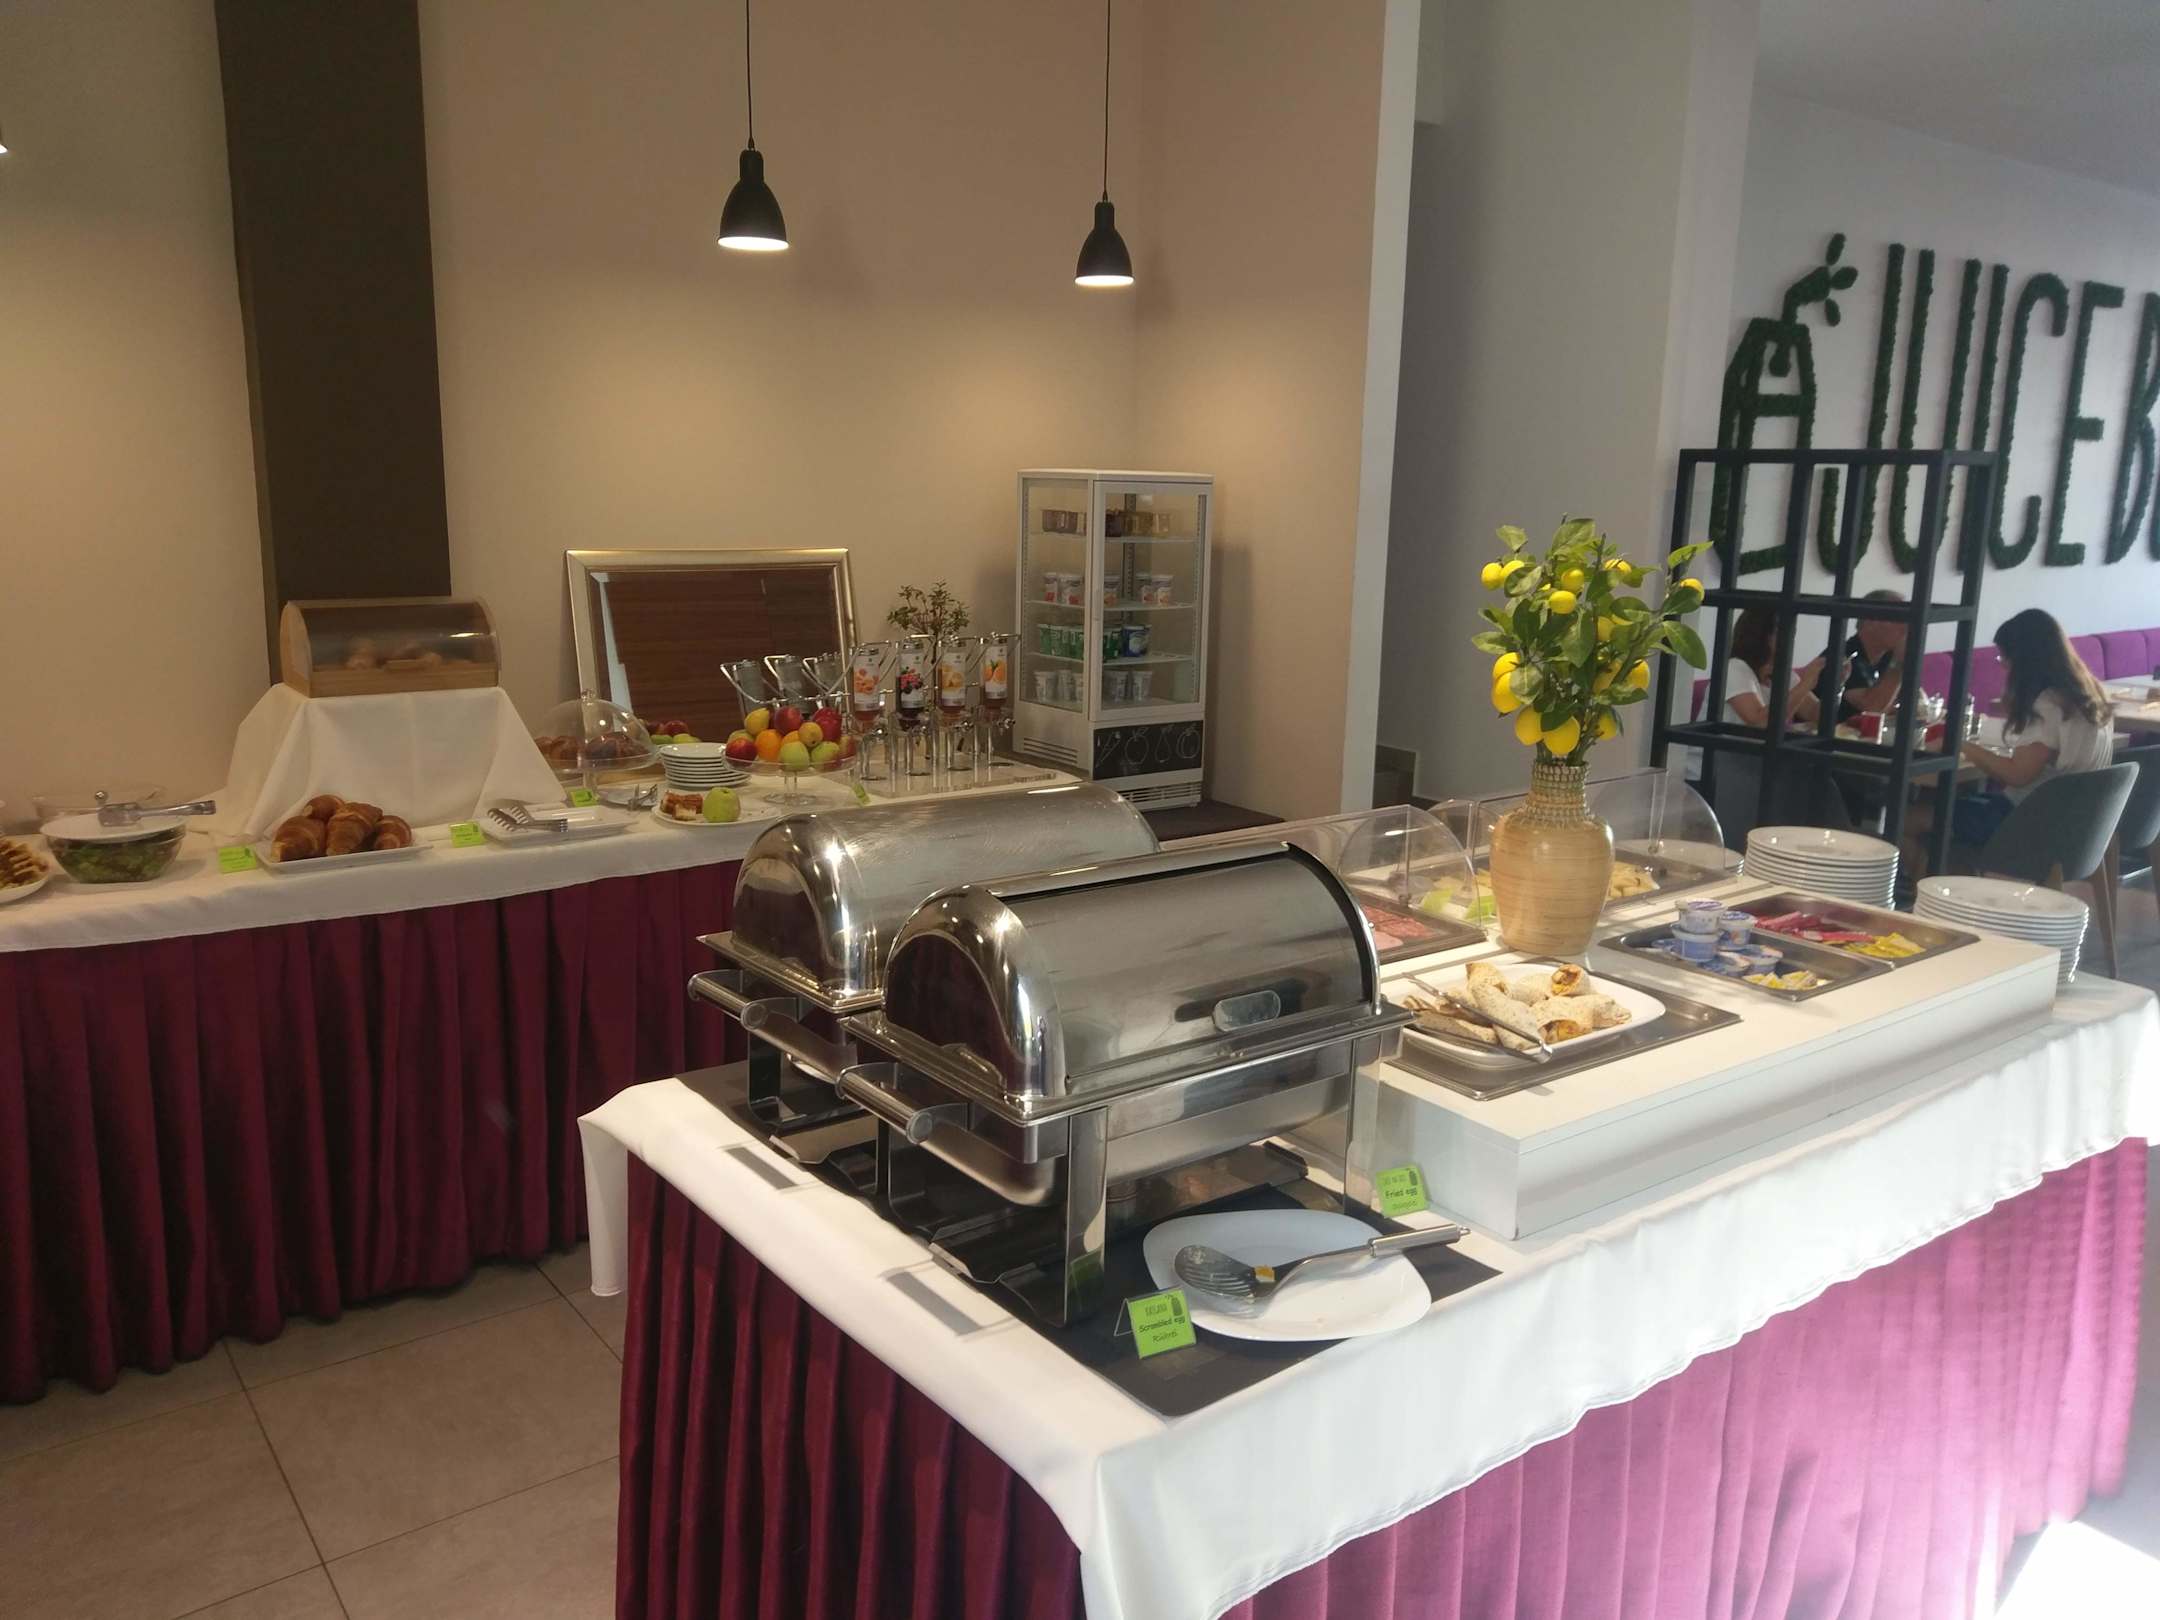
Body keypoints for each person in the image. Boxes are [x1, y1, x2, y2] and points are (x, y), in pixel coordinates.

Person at [1949, 607, 2114, 849]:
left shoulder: (2049, 705)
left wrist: (1960, 745)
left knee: (1915, 816)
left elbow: (2018, 774)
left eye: (2004, 658)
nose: (2004, 666)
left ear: (2024, 661)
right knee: (1952, 808)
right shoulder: (2093, 695)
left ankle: (1956, 872)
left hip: (2029, 822)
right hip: (2077, 823)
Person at [1722, 606, 1837, 729]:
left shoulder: (1781, 673)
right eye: (1782, 631)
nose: (1791, 638)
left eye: (1792, 631)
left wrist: (1836, 683)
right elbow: (1759, 723)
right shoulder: (1734, 668)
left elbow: (1817, 714)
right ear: (1761, 635)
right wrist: (1806, 683)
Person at [1837, 589, 1909, 723]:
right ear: (1870, 621)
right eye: (1898, 618)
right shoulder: (1846, 657)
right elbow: (1873, 709)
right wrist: (1901, 663)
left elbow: (1916, 701)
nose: (1906, 627)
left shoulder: (1888, 655)